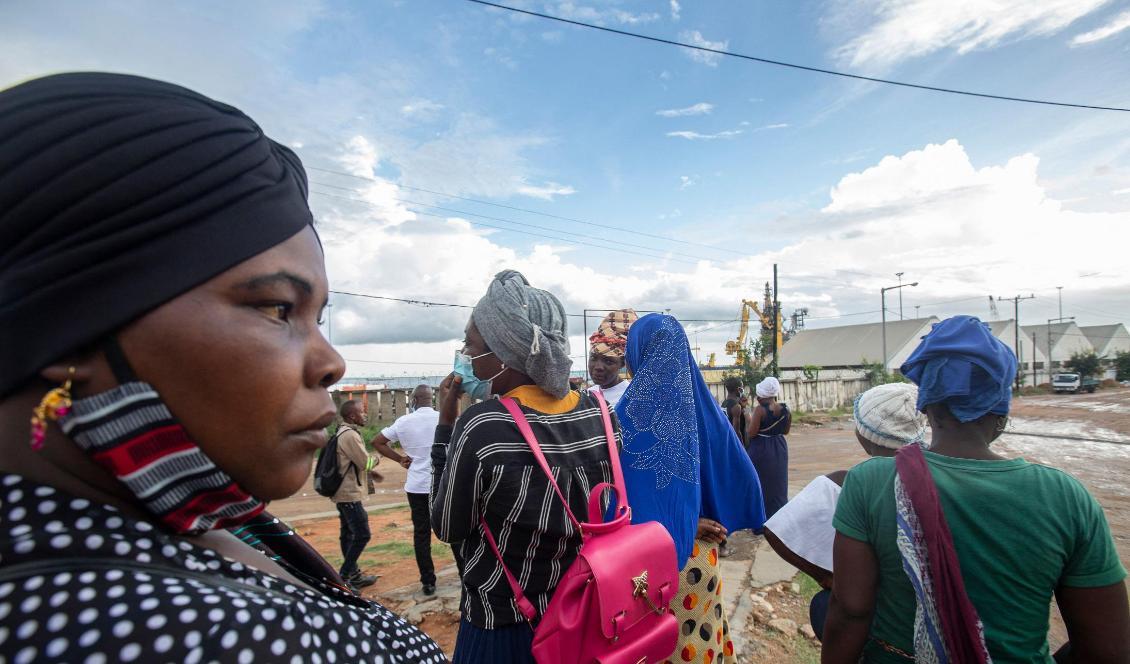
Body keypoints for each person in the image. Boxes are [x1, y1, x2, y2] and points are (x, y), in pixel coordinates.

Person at [0, 72, 444, 662]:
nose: (331, 363)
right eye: (275, 308)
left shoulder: (190, 518)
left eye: (317, 316)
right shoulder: (185, 632)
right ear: (65, 320)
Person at [823, 316, 1129, 664]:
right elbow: (1109, 650)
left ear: (925, 405)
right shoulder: (1067, 497)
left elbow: (850, 610)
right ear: (1002, 411)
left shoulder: (870, 481)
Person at [430, 269, 619, 663]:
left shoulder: (483, 425)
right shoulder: (602, 414)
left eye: (471, 344)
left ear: (504, 354)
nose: (465, 356)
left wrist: (445, 427)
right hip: (584, 614)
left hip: (505, 629)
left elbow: (448, 525)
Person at [615, 314, 766, 664]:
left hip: (646, 568)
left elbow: (615, 499)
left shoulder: (625, 418)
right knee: (699, 645)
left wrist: (681, 522)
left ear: (638, 354)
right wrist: (703, 518)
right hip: (701, 558)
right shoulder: (706, 410)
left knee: (655, 648)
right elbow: (742, 476)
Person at [763, 383, 926, 641]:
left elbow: (775, 530)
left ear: (862, 434)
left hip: (874, 625)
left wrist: (825, 577)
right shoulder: (937, 477)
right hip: (924, 622)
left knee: (822, 605)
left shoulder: (843, 481)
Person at [370, 384, 440, 595]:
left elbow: (378, 442)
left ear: (414, 400)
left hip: (417, 486)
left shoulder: (404, 422)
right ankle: (465, 575)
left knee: (421, 534)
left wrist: (400, 459)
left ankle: (428, 582)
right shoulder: (444, 418)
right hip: (442, 484)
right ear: (432, 399)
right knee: (454, 531)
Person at [332, 399, 384, 591]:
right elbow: (365, 463)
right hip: (348, 494)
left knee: (347, 534)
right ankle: (343, 577)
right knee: (362, 534)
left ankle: (353, 576)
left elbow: (354, 463)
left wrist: (370, 472)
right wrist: (378, 458)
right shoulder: (350, 436)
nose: (365, 415)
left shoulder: (342, 432)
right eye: (362, 412)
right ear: (352, 416)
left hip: (343, 492)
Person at [747, 376, 791, 518]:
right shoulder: (786, 409)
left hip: (761, 449)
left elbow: (751, 433)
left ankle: (762, 519)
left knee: (761, 483)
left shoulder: (760, 410)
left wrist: (748, 418)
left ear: (762, 395)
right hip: (779, 447)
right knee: (779, 484)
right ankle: (779, 517)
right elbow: (785, 431)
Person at [587, 308, 637, 407]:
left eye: (608, 361)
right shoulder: (586, 396)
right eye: (593, 358)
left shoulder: (631, 398)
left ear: (622, 363)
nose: (598, 367)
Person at [721, 377, 747, 447]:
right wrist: (742, 447)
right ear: (739, 389)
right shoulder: (736, 406)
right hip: (734, 442)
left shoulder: (724, 403)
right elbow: (736, 431)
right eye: (742, 387)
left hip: (726, 439)